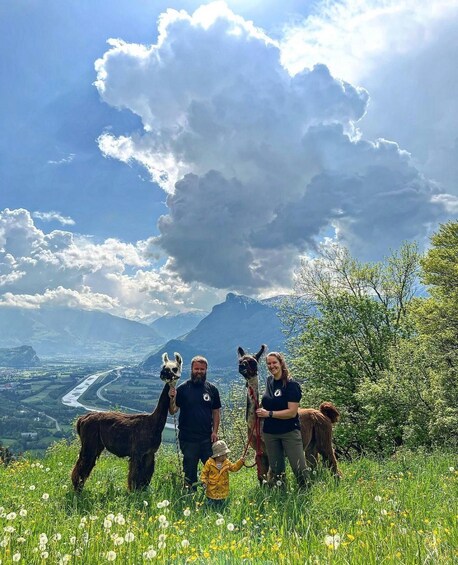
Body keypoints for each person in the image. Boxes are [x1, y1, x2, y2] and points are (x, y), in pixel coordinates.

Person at [256, 351, 308, 487]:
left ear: (281, 363)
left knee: (299, 468)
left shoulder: (291, 385)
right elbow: (268, 401)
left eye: (274, 363)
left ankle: (305, 492)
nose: (271, 366)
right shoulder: (269, 381)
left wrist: (269, 414)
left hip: (289, 431)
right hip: (270, 433)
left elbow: (292, 412)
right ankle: (281, 495)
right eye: (269, 363)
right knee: (277, 470)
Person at [169, 355, 221, 489]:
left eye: (202, 369)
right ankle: (189, 497)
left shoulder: (212, 389)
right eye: (196, 368)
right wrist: (171, 398)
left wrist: (215, 432)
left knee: (212, 470)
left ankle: (213, 496)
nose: (199, 371)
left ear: (206, 370)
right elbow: (173, 410)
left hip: (207, 438)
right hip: (188, 439)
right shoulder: (183, 389)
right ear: (191, 369)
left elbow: (216, 411)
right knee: (190, 472)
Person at [200, 440, 244, 507]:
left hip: (223, 490)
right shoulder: (209, 463)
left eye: (225, 454)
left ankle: (221, 507)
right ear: (216, 455)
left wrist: (240, 462)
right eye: (222, 455)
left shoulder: (227, 462)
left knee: (222, 505)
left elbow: (234, 468)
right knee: (211, 504)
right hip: (212, 490)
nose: (225, 456)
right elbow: (204, 473)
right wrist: (204, 481)